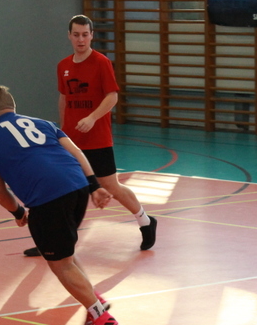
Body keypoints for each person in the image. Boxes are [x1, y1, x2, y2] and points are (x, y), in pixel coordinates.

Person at [0, 85, 122, 325]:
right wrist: (95, 186)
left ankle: (103, 318)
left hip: (49, 197)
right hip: (77, 186)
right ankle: (96, 301)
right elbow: (76, 152)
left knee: (60, 264)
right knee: (65, 253)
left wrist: (17, 211)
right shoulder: (43, 123)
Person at [24, 14, 157, 257]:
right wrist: (61, 131)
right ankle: (54, 241)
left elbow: (112, 96)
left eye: (85, 35)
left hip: (97, 139)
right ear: (69, 36)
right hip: (71, 141)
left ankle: (145, 221)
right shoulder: (63, 66)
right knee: (63, 189)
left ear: (92, 35)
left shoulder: (101, 63)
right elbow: (64, 98)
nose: (81, 39)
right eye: (76, 35)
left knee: (111, 186)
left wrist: (92, 117)